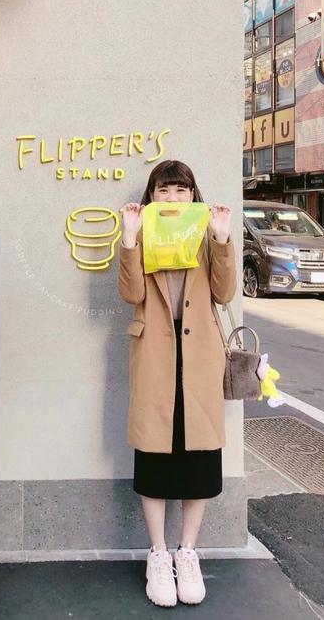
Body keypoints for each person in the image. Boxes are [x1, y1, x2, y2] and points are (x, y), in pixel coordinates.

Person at [118, 159, 236, 608]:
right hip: (155, 355)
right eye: (163, 190)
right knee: (154, 456)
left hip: (199, 356)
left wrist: (221, 238)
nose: (172, 198)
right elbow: (131, 294)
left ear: (193, 195)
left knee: (199, 459)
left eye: (181, 190)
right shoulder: (142, 234)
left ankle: (187, 553)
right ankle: (158, 554)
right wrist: (129, 239)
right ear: (151, 197)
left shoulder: (206, 232)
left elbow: (225, 293)